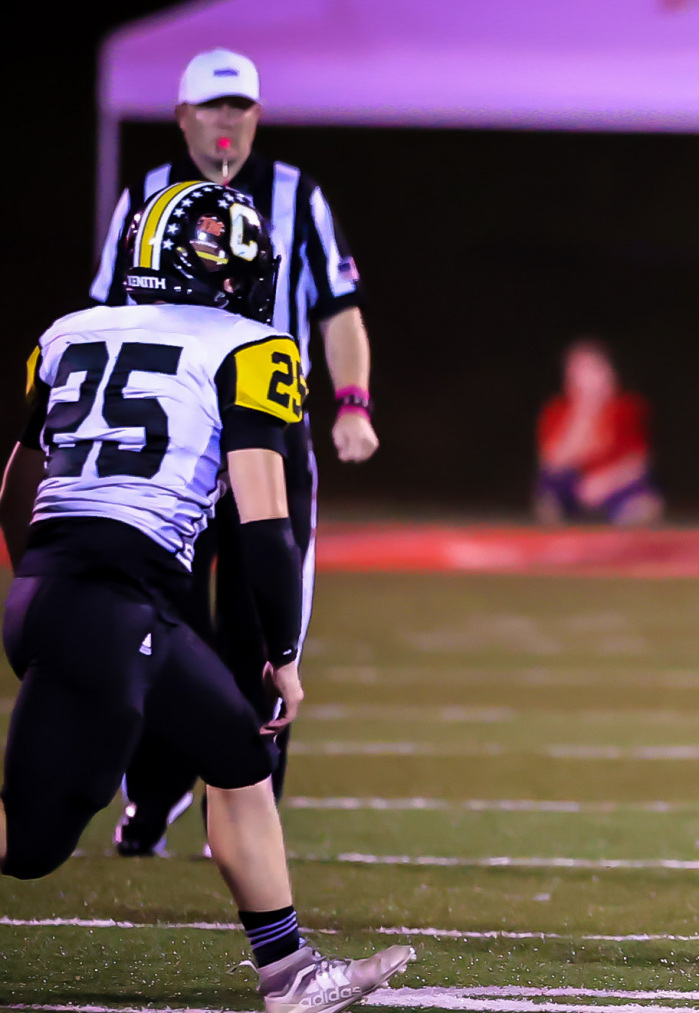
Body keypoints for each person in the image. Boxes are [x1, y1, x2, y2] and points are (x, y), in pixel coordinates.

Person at [2, 182, 413, 1012]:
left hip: (69, 592)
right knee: (33, 843)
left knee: (236, 752)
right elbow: (265, 522)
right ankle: (290, 971)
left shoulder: (68, 334)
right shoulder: (250, 348)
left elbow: (17, 482)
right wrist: (283, 650)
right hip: (114, 607)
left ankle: (290, 971)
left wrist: (36, 585)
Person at [88, 49, 379, 854]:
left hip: (266, 428)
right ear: (183, 116)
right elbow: (106, 313)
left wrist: (353, 402)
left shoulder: (296, 195)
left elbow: (340, 309)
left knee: (263, 625)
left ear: (257, 114)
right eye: (214, 107)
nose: (227, 121)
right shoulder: (146, 196)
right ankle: (153, 794)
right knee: (160, 623)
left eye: (240, 106)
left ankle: (249, 813)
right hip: (174, 441)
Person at [534, 339, 663, 525]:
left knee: (640, 498)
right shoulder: (556, 410)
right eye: (579, 372)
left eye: (594, 370)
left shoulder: (627, 407)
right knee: (551, 486)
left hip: (613, 484)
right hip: (576, 487)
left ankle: (629, 518)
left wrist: (603, 483)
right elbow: (553, 462)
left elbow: (638, 463)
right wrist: (584, 414)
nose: (588, 379)